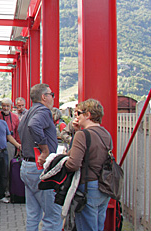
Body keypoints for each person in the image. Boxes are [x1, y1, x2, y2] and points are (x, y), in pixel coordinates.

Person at [17, 83, 62, 231]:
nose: (53, 98)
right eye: (52, 94)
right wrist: (44, 150)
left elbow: (25, 128)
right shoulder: (43, 111)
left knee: (33, 214)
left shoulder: (28, 113)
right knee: (52, 215)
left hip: (27, 166)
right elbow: (34, 125)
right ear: (44, 97)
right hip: (40, 168)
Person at [64, 99, 112, 231]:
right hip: (104, 185)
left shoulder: (82, 135)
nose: (77, 116)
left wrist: (61, 163)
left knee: (86, 226)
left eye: (78, 113)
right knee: (98, 225)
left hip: (87, 186)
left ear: (88, 114)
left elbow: (73, 164)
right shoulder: (106, 134)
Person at [0, 105, 22, 205]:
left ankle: (1, 195)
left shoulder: (3, 123)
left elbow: (9, 136)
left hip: (3, 151)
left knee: (4, 174)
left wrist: (18, 145)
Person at [0, 98, 20, 163]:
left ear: (11, 106)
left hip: (11, 144)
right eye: (4, 106)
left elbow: (17, 133)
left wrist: (18, 147)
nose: (6, 108)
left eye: (8, 106)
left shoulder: (15, 117)